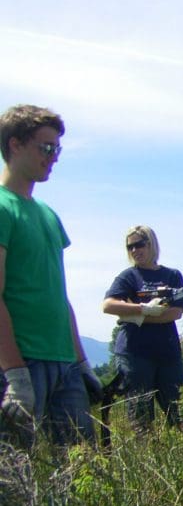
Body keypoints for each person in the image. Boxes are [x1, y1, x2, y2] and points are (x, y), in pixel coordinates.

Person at [0, 104, 99, 447]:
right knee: (14, 475)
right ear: (15, 145)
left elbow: (60, 295)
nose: (53, 156)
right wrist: (15, 374)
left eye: (57, 149)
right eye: (45, 147)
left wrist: (83, 364)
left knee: (77, 471)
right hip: (21, 362)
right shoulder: (1, 208)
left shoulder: (49, 215)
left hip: (64, 364)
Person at [101, 226, 183, 429]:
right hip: (134, 354)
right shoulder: (128, 277)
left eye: (139, 244)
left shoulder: (173, 276)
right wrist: (143, 309)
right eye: (129, 247)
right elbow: (108, 305)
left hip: (168, 354)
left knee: (181, 412)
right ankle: (145, 457)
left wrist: (133, 317)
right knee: (141, 416)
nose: (134, 250)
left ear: (151, 244)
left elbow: (175, 313)